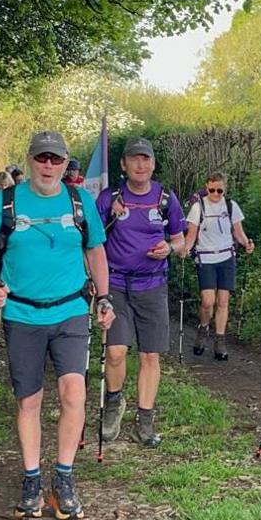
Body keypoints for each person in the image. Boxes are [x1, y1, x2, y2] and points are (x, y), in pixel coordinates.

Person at [0, 131, 113, 520]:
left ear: (66, 164)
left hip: (70, 311)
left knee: (73, 393)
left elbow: (96, 250)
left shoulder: (80, 201)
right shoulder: (4, 203)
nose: (48, 166)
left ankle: (63, 477)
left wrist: (104, 296)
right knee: (29, 400)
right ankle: (31, 478)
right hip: (21, 313)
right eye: (42, 158)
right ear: (30, 160)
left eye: (56, 159)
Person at [96, 137, 186, 447]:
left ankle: (145, 419)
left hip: (153, 286)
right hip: (117, 284)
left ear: (153, 164)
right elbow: (93, 243)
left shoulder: (165, 198)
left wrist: (169, 249)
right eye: (134, 159)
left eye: (145, 159)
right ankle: (113, 404)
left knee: (150, 355)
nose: (140, 165)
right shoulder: (109, 198)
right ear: (123, 164)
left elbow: (181, 242)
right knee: (116, 352)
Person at [182, 172, 253, 360]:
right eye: (212, 189)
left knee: (222, 301)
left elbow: (239, 232)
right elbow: (191, 235)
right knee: (207, 301)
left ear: (224, 189)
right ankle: (203, 328)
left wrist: (247, 243)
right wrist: (185, 249)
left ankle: (220, 340)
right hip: (205, 258)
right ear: (207, 187)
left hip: (226, 257)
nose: (216, 193)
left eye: (219, 190)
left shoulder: (230, 206)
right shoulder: (198, 207)